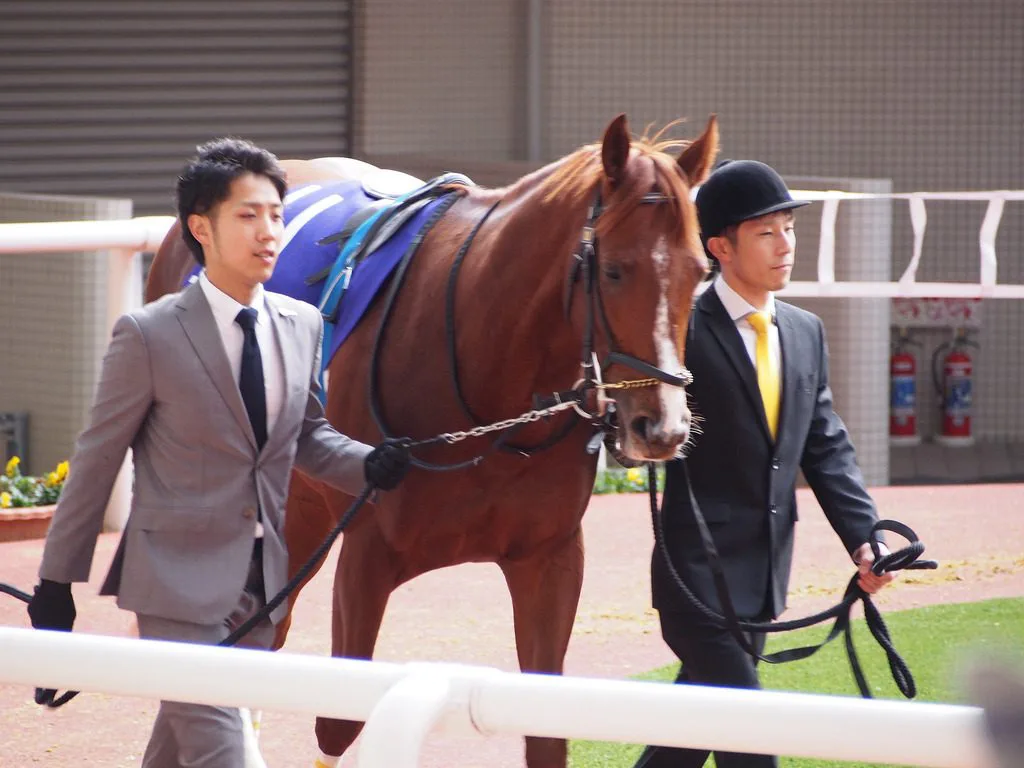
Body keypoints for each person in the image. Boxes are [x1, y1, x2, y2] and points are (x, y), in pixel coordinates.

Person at [26, 137, 410, 767]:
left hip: (262, 587)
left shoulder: (302, 324)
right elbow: (97, 461)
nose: (269, 232)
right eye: (248, 215)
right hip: (174, 588)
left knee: (178, 750)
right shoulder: (148, 334)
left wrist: (367, 463)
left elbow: (307, 436)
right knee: (221, 749)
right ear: (200, 228)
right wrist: (54, 582)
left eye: (276, 215)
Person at [635, 160, 895, 768]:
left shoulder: (805, 331)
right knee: (752, 739)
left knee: (686, 738)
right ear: (721, 247)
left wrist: (866, 538)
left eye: (788, 228)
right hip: (694, 578)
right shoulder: (677, 329)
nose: (785, 245)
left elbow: (825, 446)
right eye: (766, 232)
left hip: (764, 577)